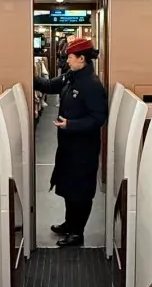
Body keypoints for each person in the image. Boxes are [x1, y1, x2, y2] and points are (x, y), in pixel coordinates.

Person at [34, 37, 108, 247]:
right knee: (68, 186)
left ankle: (77, 233)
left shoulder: (92, 85)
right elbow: (49, 85)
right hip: (68, 145)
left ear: (81, 59)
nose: (67, 60)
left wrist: (71, 124)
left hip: (83, 149)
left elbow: (98, 118)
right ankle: (69, 223)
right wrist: (27, 74)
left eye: (70, 57)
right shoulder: (70, 77)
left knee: (80, 191)